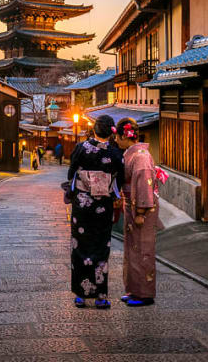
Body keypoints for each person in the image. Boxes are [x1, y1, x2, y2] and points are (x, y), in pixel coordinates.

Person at [67, 114, 123, 309]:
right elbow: (119, 179)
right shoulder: (115, 153)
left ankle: (80, 295)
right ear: (111, 132)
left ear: (94, 129)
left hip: (82, 206)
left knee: (80, 246)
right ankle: (100, 296)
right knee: (100, 247)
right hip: (103, 206)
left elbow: (71, 172)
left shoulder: (81, 148)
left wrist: (77, 189)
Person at [114, 117, 158, 307]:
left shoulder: (140, 156)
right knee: (132, 248)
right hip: (131, 204)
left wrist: (140, 211)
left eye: (117, 136)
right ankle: (133, 289)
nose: (115, 140)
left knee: (143, 249)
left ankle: (144, 294)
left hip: (141, 208)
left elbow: (144, 184)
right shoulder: (131, 153)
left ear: (126, 135)